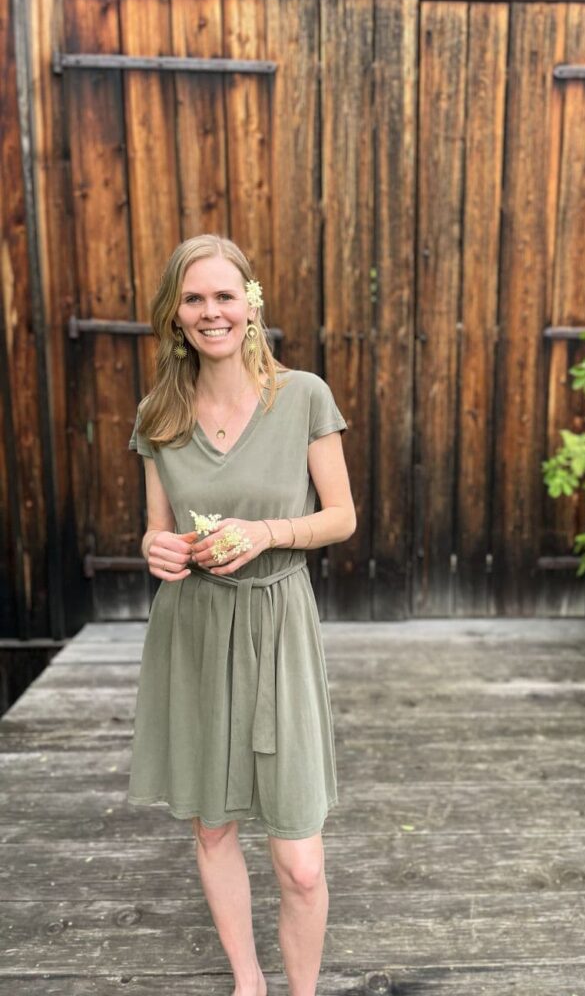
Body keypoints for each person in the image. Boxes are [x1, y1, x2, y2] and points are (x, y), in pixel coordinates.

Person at [126, 233, 356, 996]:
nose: (210, 312)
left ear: (251, 304)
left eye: (225, 295)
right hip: (192, 630)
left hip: (277, 623)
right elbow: (157, 529)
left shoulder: (304, 397)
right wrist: (157, 550)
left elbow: (343, 517)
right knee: (214, 826)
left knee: (300, 860)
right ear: (175, 315)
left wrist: (266, 532)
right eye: (194, 299)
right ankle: (248, 982)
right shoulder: (158, 412)